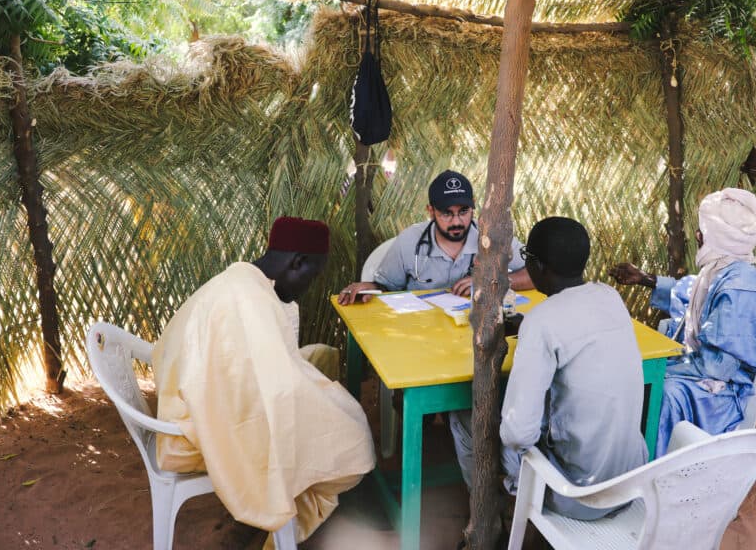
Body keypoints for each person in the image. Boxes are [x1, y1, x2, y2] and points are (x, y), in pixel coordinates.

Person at [152, 216, 375, 547]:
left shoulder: (242, 280)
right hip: (190, 435)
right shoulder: (247, 300)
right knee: (354, 439)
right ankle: (277, 518)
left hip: (182, 408)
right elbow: (268, 391)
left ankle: (279, 511)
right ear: (297, 262)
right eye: (311, 277)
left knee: (320, 365)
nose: (308, 287)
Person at [449, 217, 648, 521]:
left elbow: (518, 434)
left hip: (579, 494)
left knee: (468, 419)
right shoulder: (610, 297)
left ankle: (490, 518)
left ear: (538, 267)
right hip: (630, 483)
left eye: (526, 258)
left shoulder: (541, 321)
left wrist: (528, 330)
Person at [610, 187, 756, 457]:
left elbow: (718, 369)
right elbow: (692, 292)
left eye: (703, 231)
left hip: (727, 389)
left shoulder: (740, 291)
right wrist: (646, 279)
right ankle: (630, 459)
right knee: (640, 375)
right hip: (705, 368)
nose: (697, 235)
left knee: (661, 393)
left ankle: (649, 473)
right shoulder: (723, 270)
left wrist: (664, 370)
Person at [337, 169, 532, 303]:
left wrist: (492, 280)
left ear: (473, 205)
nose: (456, 221)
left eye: (464, 211)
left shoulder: (494, 236)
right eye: (446, 213)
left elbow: (535, 274)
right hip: (421, 334)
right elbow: (386, 288)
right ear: (430, 211)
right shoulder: (408, 241)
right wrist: (368, 287)